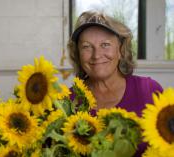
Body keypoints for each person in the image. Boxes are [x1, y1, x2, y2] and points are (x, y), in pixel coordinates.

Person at [68, 10, 163, 157]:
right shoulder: (67, 102)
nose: (96, 55)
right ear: (78, 54)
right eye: (86, 46)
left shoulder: (149, 91)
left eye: (105, 44)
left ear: (121, 50)